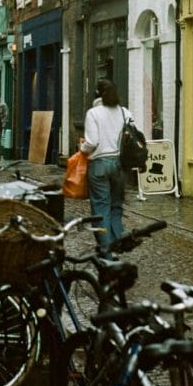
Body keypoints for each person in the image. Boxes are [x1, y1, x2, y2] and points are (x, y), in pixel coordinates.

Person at [80, 79, 132, 256]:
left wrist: (82, 148)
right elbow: (133, 137)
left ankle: (107, 253)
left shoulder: (93, 113)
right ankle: (118, 245)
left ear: (97, 95)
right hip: (119, 165)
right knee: (116, 207)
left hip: (100, 165)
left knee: (101, 209)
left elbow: (92, 142)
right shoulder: (125, 113)